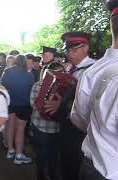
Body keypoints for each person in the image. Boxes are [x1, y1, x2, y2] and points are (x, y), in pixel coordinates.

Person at [73, 1, 118, 179]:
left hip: (95, 165)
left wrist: (100, 133)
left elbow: (80, 118)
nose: (70, 53)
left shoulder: (93, 71)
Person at [54, 31, 95, 180]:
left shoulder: (93, 70)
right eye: (68, 50)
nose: (70, 54)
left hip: (81, 130)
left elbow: (93, 105)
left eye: (74, 49)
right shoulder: (70, 70)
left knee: (75, 166)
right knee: (65, 163)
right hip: (65, 124)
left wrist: (63, 105)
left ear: (86, 47)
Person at [30, 62, 64, 180]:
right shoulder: (38, 85)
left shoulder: (64, 88)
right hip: (41, 126)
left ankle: (52, 173)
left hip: (56, 128)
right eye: (57, 73)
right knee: (41, 153)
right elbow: (34, 105)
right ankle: (41, 174)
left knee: (54, 153)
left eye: (62, 73)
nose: (60, 76)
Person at [1, 55, 34, 164]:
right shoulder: (29, 74)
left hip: (9, 104)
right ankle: (19, 155)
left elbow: (2, 87)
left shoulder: (6, 72)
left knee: (10, 126)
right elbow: (31, 90)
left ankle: (10, 151)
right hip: (24, 105)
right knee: (20, 129)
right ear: (24, 62)